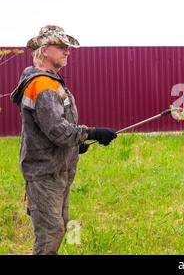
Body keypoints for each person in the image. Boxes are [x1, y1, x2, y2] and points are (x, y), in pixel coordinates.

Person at [10, 25, 117, 255]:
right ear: (45, 50)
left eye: (67, 47)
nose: (67, 51)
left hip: (56, 170)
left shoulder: (52, 81)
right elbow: (57, 130)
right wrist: (93, 133)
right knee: (50, 234)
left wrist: (75, 147)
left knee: (58, 226)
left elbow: (48, 131)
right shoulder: (43, 84)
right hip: (45, 174)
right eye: (61, 47)